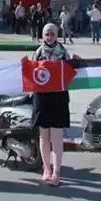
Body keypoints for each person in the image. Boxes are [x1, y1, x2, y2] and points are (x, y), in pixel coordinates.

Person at [30, 23, 71, 186]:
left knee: (56, 138)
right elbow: (31, 73)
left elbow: (71, 72)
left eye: (52, 34)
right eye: (47, 34)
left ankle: (56, 172)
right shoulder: (38, 52)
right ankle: (46, 169)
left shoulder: (63, 52)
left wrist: (76, 63)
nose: (49, 37)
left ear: (57, 35)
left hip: (58, 98)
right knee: (43, 137)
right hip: (42, 98)